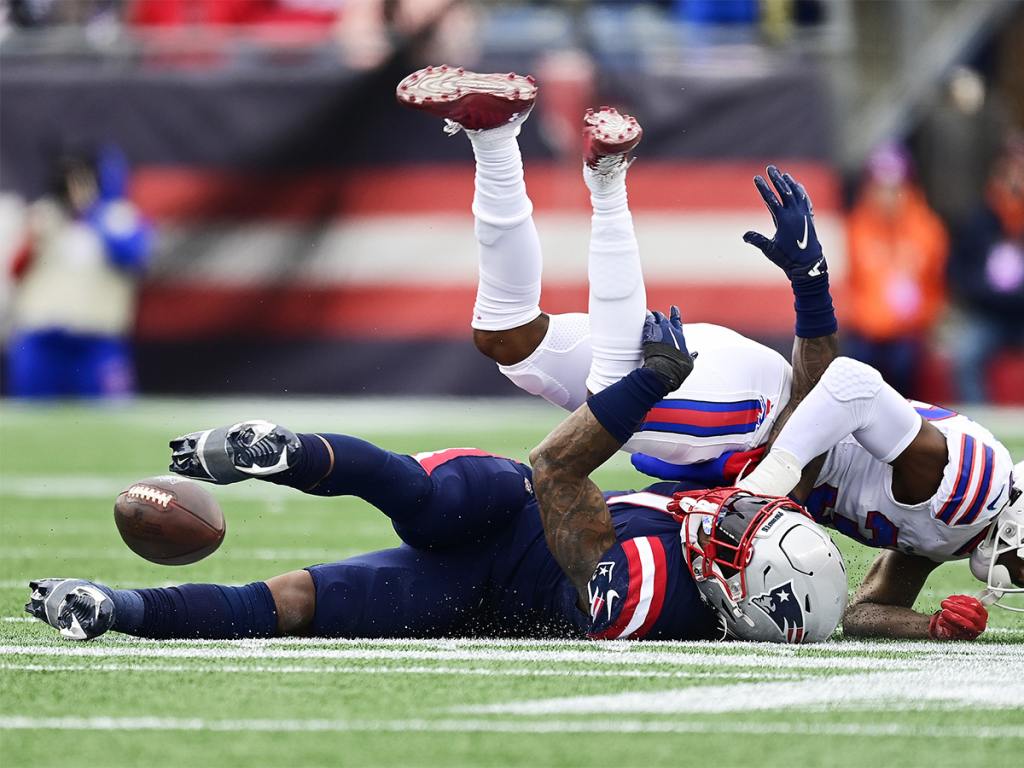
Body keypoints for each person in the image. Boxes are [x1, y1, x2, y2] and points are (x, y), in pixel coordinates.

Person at [26, 315, 847, 644]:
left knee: (304, 595)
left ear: (733, 599)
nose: (737, 519)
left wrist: (647, 384)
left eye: (741, 545)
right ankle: (280, 449)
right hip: (513, 562)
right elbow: (803, 419)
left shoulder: (642, 597)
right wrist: (813, 302)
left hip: (508, 535)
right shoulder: (749, 573)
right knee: (418, 498)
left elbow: (557, 468)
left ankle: (110, 608)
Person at [395, 65, 838, 483]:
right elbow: (821, 404)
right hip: (755, 414)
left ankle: (494, 133)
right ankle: (607, 183)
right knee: (615, 401)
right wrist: (812, 282)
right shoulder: (886, 447)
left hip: (737, 387)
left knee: (505, 334)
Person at [6, 145, 151, 398]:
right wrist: (37, 236)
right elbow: (15, 269)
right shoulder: (43, 216)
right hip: (43, 338)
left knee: (110, 421)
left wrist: (93, 212)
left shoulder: (120, 217)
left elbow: (133, 255)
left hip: (96, 339)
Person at [844, 144, 948, 397]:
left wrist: (920, 316)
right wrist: (865, 317)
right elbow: (846, 285)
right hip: (865, 331)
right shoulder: (854, 228)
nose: (887, 196)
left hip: (910, 332)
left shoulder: (927, 229)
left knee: (904, 364)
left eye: (894, 188)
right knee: (854, 366)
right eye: (880, 188)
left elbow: (937, 286)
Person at [948, 139, 1024, 403]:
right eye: (1010, 169)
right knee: (965, 355)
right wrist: (986, 290)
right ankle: (979, 432)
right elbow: (957, 271)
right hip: (987, 315)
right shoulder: (978, 218)